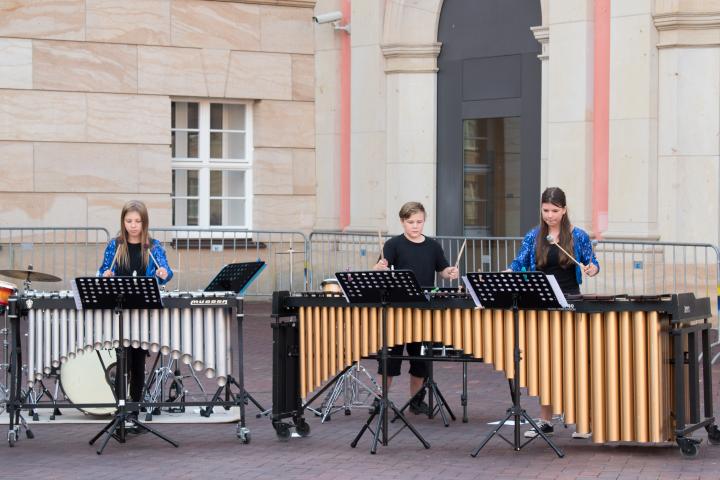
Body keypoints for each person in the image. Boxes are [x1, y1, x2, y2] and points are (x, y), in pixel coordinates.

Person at [506, 187, 599, 438]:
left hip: (570, 300)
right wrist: (507, 273)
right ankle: (545, 420)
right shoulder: (534, 236)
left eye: (555, 211)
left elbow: (592, 262)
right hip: (541, 301)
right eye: (546, 210)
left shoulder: (577, 236)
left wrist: (592, 268)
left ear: (564, 210)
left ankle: (581, 421)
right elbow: (519, 263)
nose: (549, 215)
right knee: (544, 362)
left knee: (573, 362)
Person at [373, 201, 459, 414]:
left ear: (424, 221)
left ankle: (416, 401)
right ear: (402, 222)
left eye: (419, 222)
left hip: (422, 310)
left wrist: (450, 272)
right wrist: (379, 267)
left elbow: (443, 270)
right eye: (411, 222)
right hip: (397, 309)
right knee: (389, 359)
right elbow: (378, 268)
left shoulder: (432, 246)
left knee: (419, 359)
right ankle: (380, 400)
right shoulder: (393, 245)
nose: (415, 226)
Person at [97, 200, 173, 424]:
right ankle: (121, 404)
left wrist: (163, 273)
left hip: (142, 310)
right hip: (120, 310)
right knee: (122, 359)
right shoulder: (115, 246)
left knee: (138, 359)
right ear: (123, 221)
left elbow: (167, 273)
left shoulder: (153, 246)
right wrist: (104, 276)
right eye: (129, 221)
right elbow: (103, 270)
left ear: (144, 222)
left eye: (137, 221)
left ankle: (135, 406)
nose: (133, 225)